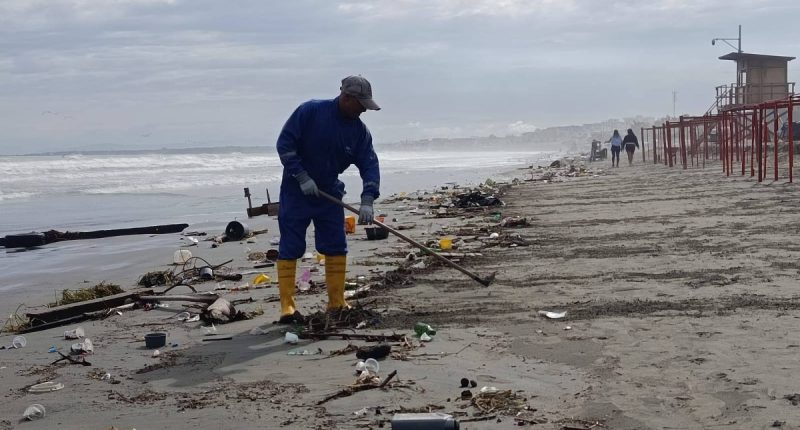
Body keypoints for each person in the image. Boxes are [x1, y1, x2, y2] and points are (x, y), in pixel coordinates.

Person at [275, 75, 381, 323]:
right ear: (346, 97)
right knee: (291, 246)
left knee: (335, 245)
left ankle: (336, 302)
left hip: (329, 194)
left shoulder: (359, 131)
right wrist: (301, 176)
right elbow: (285, 144)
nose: (364, 110)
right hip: (296, 191)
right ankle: (287, 308)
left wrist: (368, 199)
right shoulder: (310, 111)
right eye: (361, 104)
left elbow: (369, 163)